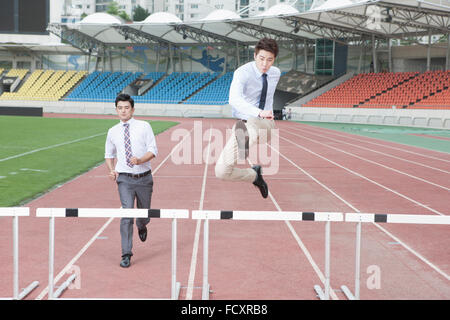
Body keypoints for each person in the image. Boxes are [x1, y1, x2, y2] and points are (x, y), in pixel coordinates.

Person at [215, 38, 281, 199]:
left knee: (250, 128)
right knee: (222, 172)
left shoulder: (275, 73)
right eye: (261, 58)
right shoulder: (242, 73)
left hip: (265, 125)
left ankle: (244, 144)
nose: (265, 64)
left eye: (270, 60)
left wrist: (262, 114)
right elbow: (234, 99)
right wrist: (258, 111)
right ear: (254, 56)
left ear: (274, 59)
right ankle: (254, 176)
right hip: (245, 124)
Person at [105, 93, 158, 268]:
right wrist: (112, 170)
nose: (123, 111)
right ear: (116, 110)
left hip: (144, 178)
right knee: (126, 214)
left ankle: (142, 225)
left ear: (132, 109)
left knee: (144, 213)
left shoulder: (144, 126)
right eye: (120, 108)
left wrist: (141, 160)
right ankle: (126, 253)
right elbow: (108, 155)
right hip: (124, 179)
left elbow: (153, 150)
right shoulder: (112, 131)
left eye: (126, 107)